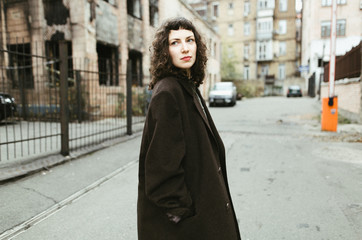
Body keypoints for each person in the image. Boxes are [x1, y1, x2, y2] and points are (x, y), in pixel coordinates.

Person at [137, 17, 241, 240]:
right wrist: (184, 214)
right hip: (189, 226)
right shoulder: (168, 93)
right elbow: (161, 171)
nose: (184, 48)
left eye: (189, 40)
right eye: (175, 42)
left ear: (198, 47)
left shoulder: (187, 86)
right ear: (165, 51)